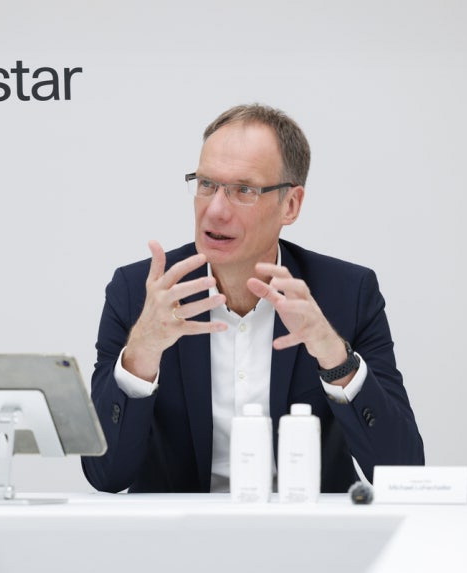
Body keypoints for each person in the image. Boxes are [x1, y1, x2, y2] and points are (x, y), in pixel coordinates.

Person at [82, 104, 424, 494]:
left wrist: (336, 360)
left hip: (304, 526)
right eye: (206, 184)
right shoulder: (140, 294)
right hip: (179, 528)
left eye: (244, 190)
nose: (215, 210)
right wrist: (140, 356)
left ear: (290, 205)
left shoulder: (346, 293)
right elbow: (106, 475)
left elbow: (404, 470)